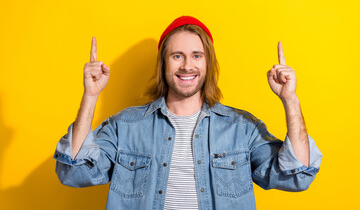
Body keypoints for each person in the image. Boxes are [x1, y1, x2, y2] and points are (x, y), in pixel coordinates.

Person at [54, 16, 322, 210]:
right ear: (163, 64)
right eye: (177, 56)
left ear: (208, 64)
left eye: (197, 56)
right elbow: (74, 173)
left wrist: (290, 100)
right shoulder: (125, 126)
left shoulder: (242, 128)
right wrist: (90, 97)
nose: (187, 66)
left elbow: (296, 176)